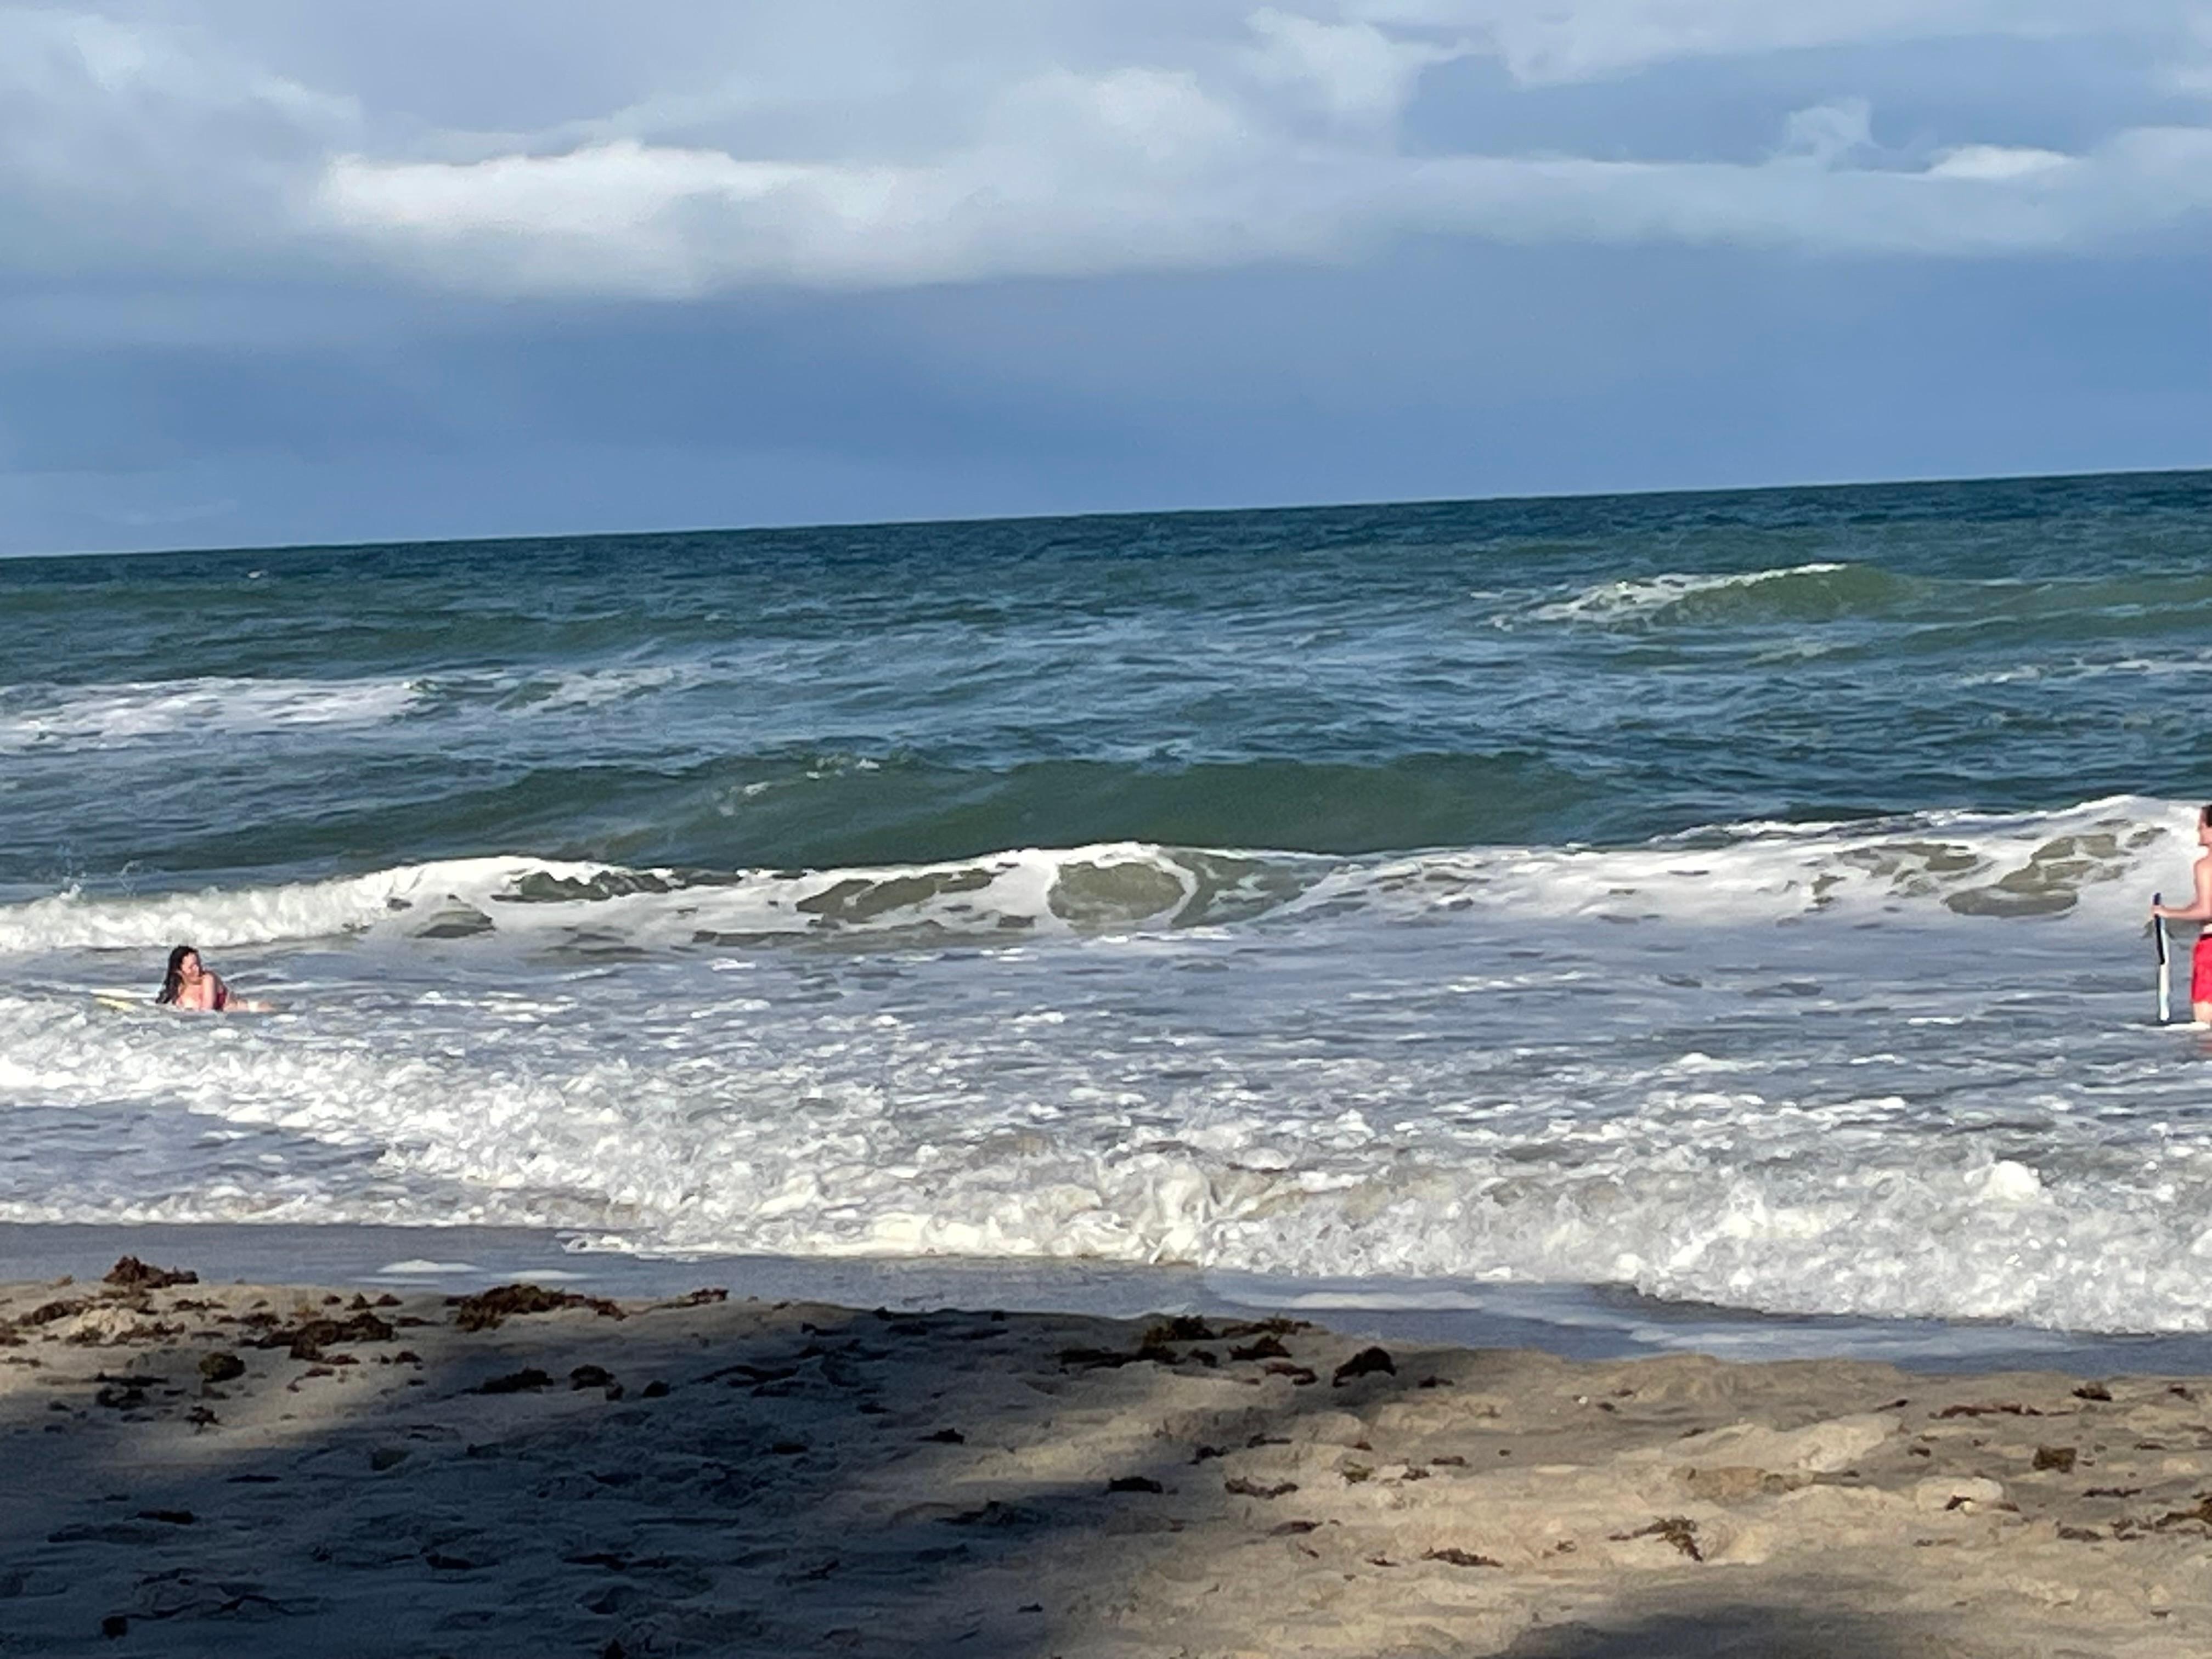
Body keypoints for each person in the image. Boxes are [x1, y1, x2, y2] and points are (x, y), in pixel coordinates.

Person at [2152, 805, 2212, 1024]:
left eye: (2203, 826)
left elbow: (2208, 910)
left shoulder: (2206, 865)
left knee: (2205, 1024)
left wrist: (2168, 912)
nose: (2199, 831)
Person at [155, 944, 270, 1013]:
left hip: (251, 1012)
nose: (198, 969)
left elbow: (208, 1011)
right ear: (179, 971)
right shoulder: (178, 989)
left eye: (198, 964)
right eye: (192, 967)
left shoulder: (208, 979)